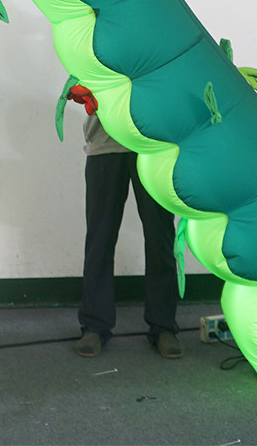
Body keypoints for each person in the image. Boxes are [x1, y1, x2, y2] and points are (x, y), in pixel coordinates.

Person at [74, 113, 182, 360]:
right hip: (104, 143)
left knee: (160, 238)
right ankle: (94, 325)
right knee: (100, 239)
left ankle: (163, 326)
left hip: (154, 148)